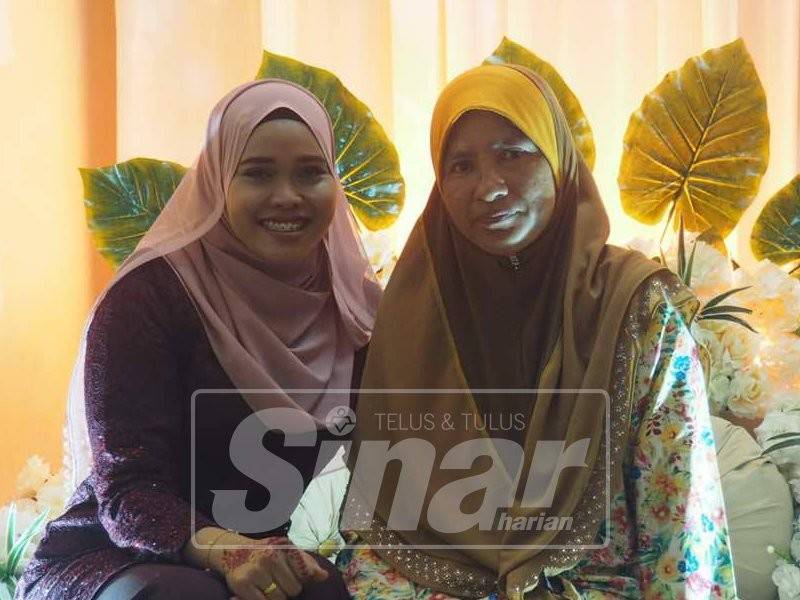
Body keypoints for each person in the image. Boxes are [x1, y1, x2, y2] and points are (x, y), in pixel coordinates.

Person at [336, 64, 736, 598]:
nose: (489, 188)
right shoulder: (415, 314)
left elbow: (680, 514)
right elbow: (378, 521)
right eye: (461, 165)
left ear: (556, 158)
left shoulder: (635, 308)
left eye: (512, 154)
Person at [17, 79, 381, 600]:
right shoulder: (150, 298)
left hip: (255, 557)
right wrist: (229, 551)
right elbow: (127, 490)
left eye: (310, 172)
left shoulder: (352, 309)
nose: (287, 196)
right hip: (116, 557)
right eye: (257, 173)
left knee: (321, 589)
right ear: (216, 182)